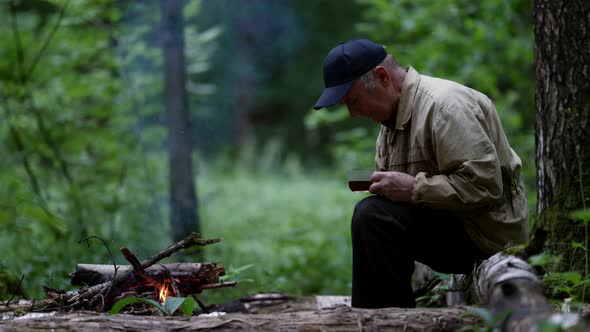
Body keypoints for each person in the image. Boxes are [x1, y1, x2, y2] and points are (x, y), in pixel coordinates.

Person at [313, 39, 529, 308]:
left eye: (353, 101)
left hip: (486, 236)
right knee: (373, 214)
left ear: (382, 77)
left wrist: (414, 188)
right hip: (453, 224)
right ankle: (378, 319)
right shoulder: (390, 122)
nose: (353, 114)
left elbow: (485, 187)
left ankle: (387, 321)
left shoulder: (446, 107)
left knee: (373, 217)